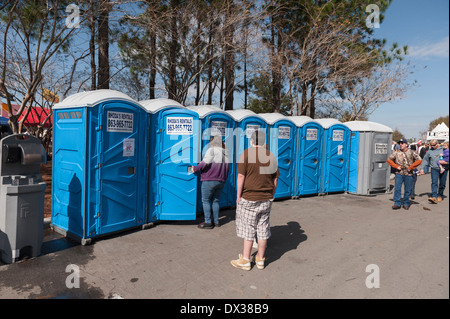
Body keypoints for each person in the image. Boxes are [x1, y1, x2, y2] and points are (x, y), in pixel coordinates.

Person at [231, 130, 279, 271]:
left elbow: (241, 177)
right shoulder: (270, 156)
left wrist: (238, 196)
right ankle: (260, 260)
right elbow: (275, 178)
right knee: (263, 229)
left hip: (249, 198)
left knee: (248, 229)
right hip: (266, 199)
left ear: (252, 141)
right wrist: (271, 194)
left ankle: (246, 260)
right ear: (264, 142)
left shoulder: (246, 154)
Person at [192, 135, 230, 229]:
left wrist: (195, 169)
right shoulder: (226, 153)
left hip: (209, 180)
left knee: (205, 201)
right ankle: (216, 221)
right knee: (215, 201)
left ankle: (208, 222)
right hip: (221, 181)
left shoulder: (212, 150)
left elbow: (204, 163)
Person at [387, 139, 422, 210]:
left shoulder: (412, 152)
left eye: (402, 143)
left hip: (408, 174)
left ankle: (406, 203)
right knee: (397, 188)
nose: (400, 144)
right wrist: (396, 166)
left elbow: (419, 160)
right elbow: (389, 160)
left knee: (408, 189)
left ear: (406, 144)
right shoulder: (396, 152)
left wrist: (411, 167)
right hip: (399, 173)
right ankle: (397, 203)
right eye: (400, 143)